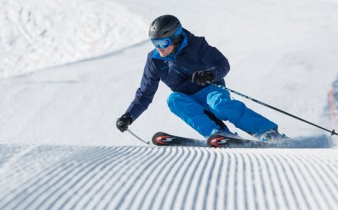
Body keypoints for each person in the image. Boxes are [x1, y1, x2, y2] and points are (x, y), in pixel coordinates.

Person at [116, 15, 286, 141]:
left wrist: (210, 74)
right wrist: (128, 116)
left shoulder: (196, 45)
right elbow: (145, 94)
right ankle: (220, 134)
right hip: (187, 98)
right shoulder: (154, 60)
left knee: (219, 105)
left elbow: (222, 63)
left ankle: (267, 132)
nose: (159, 48)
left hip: (210, 89)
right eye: (155, 43)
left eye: (163, 43)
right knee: (173, 100)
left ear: (175, 38)